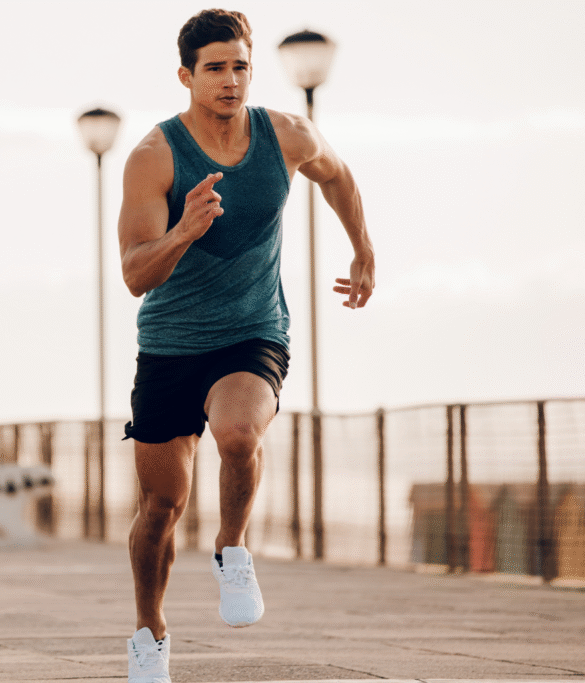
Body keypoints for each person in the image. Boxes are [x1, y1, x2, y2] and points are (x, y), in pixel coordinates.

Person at [117, 8, 375, 683]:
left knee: (237, 434)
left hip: (253, 331)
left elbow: (337, 174)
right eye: (215, 69)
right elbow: (136, 274)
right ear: (186, 77)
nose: (230, 80)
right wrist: (184, 231)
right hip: (171, 342)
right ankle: (149, 632)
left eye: (240, 67)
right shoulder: (155, 155)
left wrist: (363, 249)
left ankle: (232, 548)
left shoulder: (286, 134)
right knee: (161, 509)